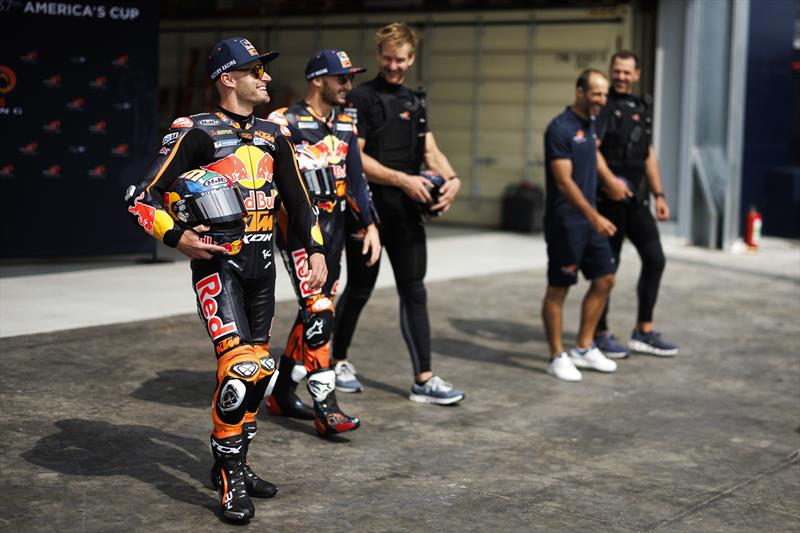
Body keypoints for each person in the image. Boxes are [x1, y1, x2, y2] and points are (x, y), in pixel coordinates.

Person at [124, 37, 327, 523]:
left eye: (265, 70)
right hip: (220, 270)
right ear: (228, 79)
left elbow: (298, 202)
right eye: (255, 70)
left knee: (262, 370)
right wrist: (178, 239)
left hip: (263, 270)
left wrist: (315, 248)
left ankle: (234, 460)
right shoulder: (194, 131)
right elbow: (140, 197)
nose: (266, 78)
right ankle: (229, 476)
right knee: (240, 369)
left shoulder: (274, 134)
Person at [331, 22, 465, 404]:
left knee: (415, 291)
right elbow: (353, 157)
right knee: (359, 289)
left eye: (401, 59)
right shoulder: (360, 98)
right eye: (388, 58)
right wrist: (402, 180)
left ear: (411, 58)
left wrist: (453, 178)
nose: (394, 66)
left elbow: (431, 151)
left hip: (406, 214)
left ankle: (423, 378)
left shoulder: (414, 101)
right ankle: (335, 361)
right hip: (367, 211)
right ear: (379, 57)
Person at [264, 49, 381, 433]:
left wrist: (370, 225)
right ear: (318, 80)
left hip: (336, 230)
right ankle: (326, 407)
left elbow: (357, 178)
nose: (349, 86)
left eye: (350, 78)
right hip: (299, 230)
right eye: (341, 78)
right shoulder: (284, 122)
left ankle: (282, 394)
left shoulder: (347, 120)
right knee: (320, 310)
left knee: (315, 310)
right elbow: (268, 179)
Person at [593, 51, 679, 358]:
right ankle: (599, 333)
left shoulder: (643, 107)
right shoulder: (602, 105)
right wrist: (609, 183)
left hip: (636, 200)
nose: (621, 77)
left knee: (655, 259)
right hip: (609, 201)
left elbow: (648, 153)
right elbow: (593, 149)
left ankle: (643, 331)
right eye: (617, 70)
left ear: (637, 74)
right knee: (607, 269)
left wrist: (659, 194)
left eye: (627, 72)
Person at [541, 68, 619, 382]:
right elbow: (563, 182)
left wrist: (611, 181)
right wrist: (594, 216)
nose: (602, 99)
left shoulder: (590, 123)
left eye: (604, 94)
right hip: (566, 222)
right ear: (580, 92)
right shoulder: (559, 129)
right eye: (596, 93)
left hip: (589, 220)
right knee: (559, 289)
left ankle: (584, 347)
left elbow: (594, 153)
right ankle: (556, 355)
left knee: (606, 278)